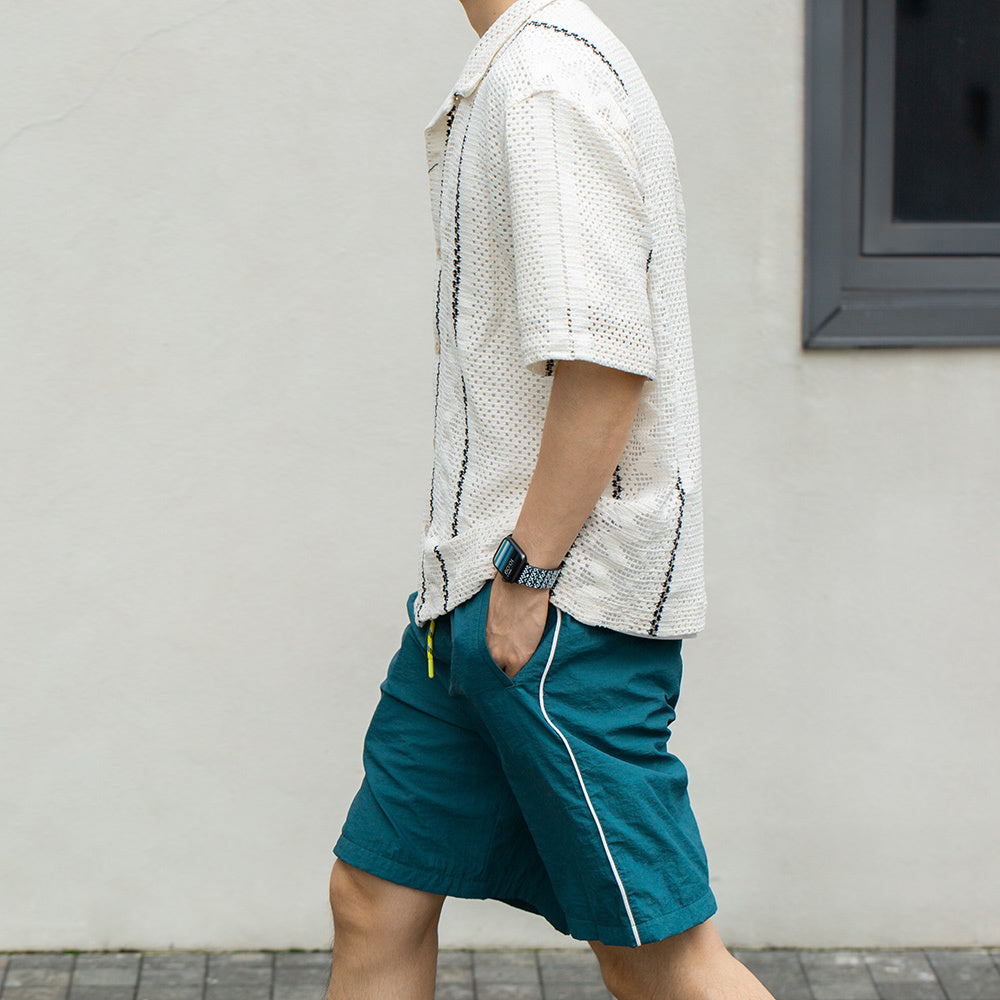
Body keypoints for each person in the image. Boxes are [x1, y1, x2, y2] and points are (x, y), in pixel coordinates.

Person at [326, 1, 779, 998]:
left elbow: (604, 361)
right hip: (468, 598)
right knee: (374, 896)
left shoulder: (547, 80)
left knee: (656, 953)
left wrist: (528, 572)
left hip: (552, 605)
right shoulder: (513, 70)